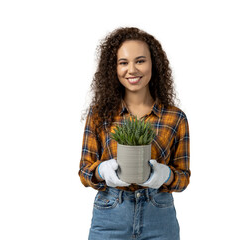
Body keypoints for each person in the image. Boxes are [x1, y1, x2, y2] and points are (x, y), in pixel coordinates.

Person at [79, 27, 190, 240]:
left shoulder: (175, 118)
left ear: (153, 64)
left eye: (140, 61)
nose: (132, 69)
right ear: (113, 68)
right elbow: (85, 171)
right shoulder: (99, 115)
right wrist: (102, 171)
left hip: (159, 214)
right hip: (110, 214)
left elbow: (183, 177)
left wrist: (165, 175)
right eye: (123, 62)